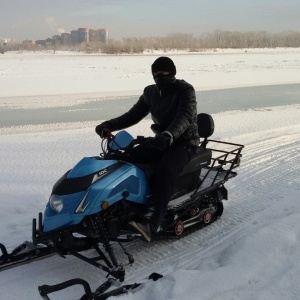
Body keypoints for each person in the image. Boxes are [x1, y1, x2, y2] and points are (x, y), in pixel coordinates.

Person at [95, 56, 199, 242]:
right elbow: (133, 115)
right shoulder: (150, 92)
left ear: (173, 73)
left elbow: (185, 116)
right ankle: (120, 207)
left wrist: (169, 135)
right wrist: (108, 125)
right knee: (127, 157)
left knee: (165, 169)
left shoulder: (185, 90)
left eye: (164, 72)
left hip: (184, 143)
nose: (159, 76)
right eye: (156, 73)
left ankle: (153, 223)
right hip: (161, 141)